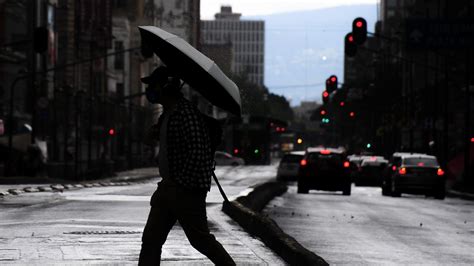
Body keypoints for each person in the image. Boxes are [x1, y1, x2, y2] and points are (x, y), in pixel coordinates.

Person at [138, 66, 235, 266]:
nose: (151, 90)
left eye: (154, 85)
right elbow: (163, 142)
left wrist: (180, 184)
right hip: (168, 188)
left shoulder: (186, 113)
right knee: (151, 240)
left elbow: (198, 152)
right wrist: (151, 135)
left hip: (186, 190)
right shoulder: (168, 115)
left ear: (166, 86)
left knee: (200, 240)